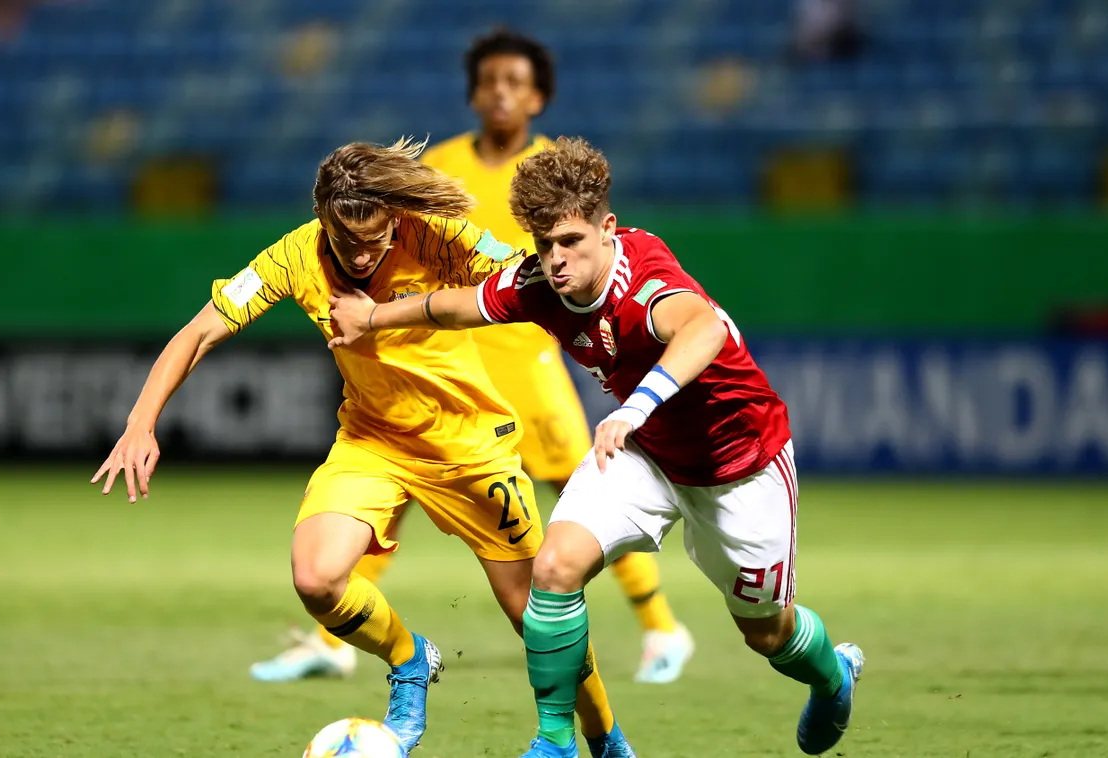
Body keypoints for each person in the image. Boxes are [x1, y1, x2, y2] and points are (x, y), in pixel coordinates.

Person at [91, 138, 635, 757]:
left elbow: (526, 280)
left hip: (469, 445)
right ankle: (409, 661)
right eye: (347, 240)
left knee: (536, 619)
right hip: (372, 441)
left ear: (394, 218)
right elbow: (199, 332)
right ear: (324, 217)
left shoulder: (435, 237)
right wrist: (141, 421)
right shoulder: (295, 256)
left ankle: (606, 741)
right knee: (316, 577)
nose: (361, 253)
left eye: (376, 239)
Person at [327, 136, 863, 757]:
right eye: (545, 245)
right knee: (553, 567)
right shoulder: (538, 284)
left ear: (607, 229)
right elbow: (456, 308)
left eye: (571, 242)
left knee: (767, 635)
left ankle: (832, 677)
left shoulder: (644, 284)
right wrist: (374, 318)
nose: (556, 260)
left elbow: (704, 326)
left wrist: (635, 406)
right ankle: (556, 740)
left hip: (740, 466)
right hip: (646, 454)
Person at [251, 27, 692, 687]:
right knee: (388, 494)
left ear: (538, 96)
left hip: (523, 357)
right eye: (489, 82)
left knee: (585, 486)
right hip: (449, 356)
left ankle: (660, 627)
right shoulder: (442, 167)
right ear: (472, 93)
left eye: (514, 82)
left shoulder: (550, 174)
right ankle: (333, 639)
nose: (499, 94)